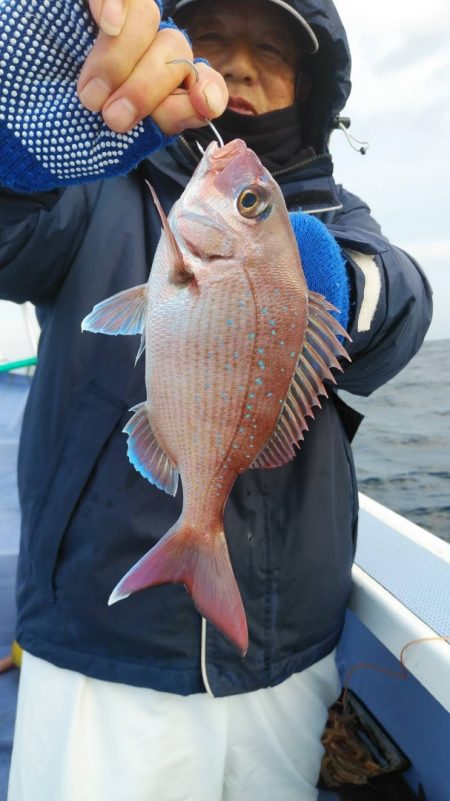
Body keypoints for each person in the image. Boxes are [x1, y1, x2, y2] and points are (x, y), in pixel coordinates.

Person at [0, 1, 432, 799]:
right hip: (102, 650)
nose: (238, 64)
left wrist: (331, 284)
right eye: (215, 39)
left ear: (309, 86)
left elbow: (400, 299)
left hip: (282, 659)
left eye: (270, 49)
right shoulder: (92, 182)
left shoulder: (341, 217)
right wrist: (18, 150)